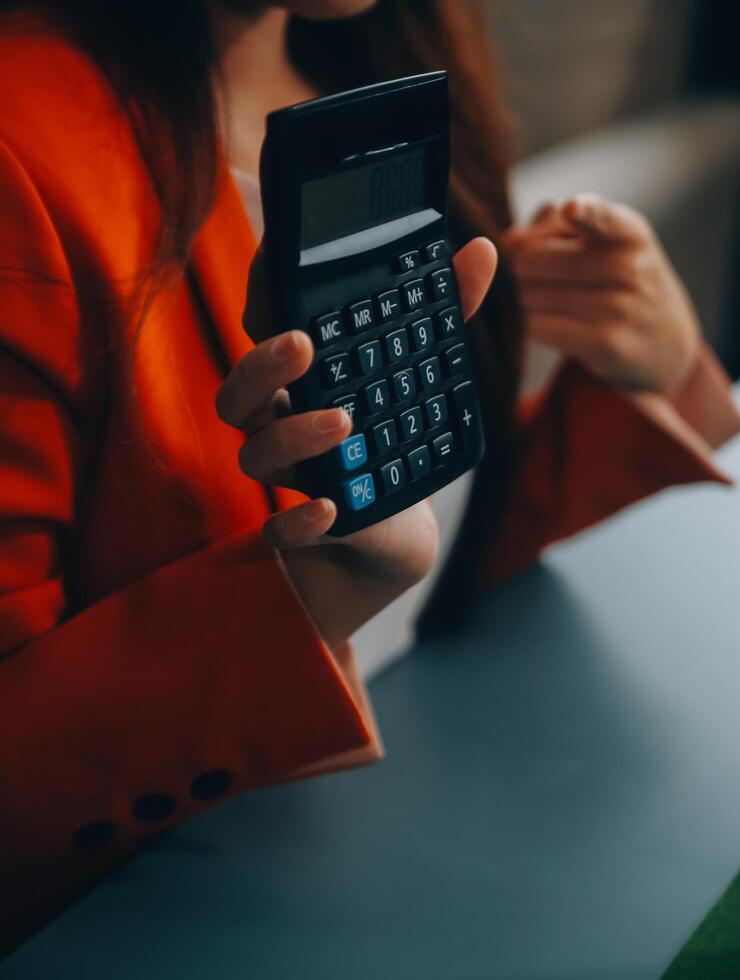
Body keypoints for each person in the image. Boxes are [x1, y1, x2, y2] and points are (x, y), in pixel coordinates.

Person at [0, 0, 737, 952]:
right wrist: (310, 596)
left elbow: (441, 528)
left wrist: (657, 372)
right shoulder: (23, 151)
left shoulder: (393, 52)